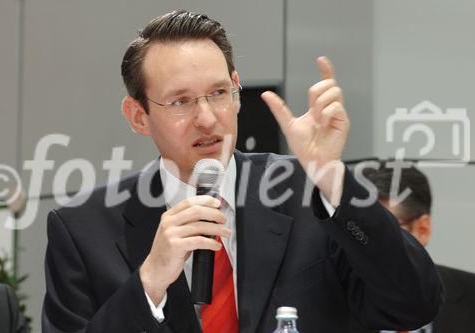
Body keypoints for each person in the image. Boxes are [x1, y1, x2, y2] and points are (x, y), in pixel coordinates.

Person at [42, 10, 443, 333]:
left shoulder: (305, 191)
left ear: (236, 90)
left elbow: (413, 304)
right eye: (180, 101)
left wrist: (332, 178)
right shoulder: (82, 229)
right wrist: (149, 284)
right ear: (139, 116)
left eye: (218, 93)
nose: (206, 118)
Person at [363, 161, 475, 333]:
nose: (364, 248)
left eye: (381, 233)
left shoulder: (470, 297)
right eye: (356, 233)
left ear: (422, 230)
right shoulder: (327, 303)